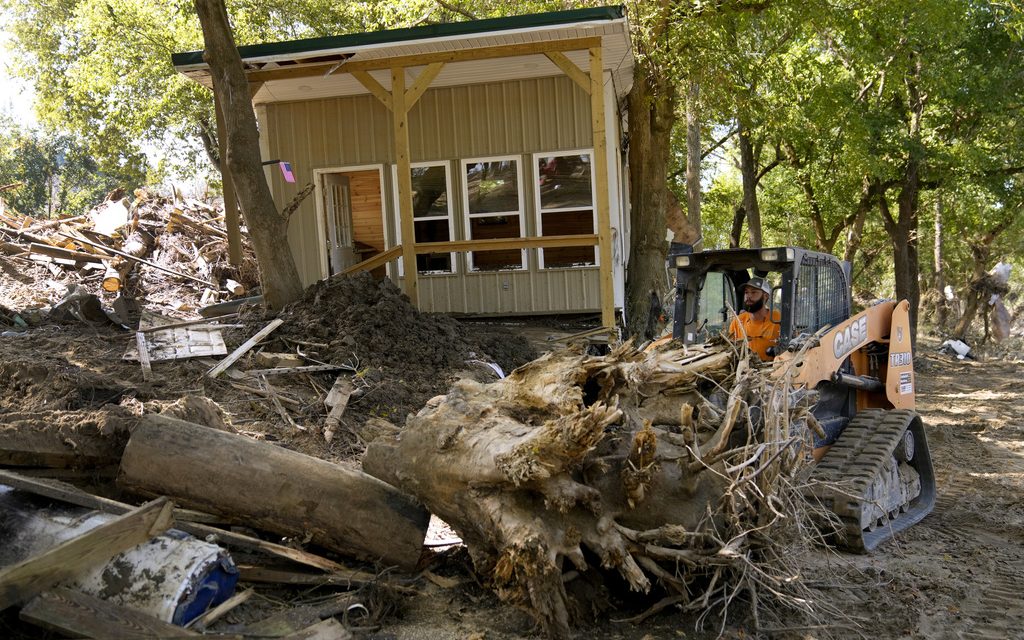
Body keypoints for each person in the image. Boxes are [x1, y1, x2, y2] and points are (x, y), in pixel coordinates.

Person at [728, 276, 781, 361]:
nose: (748, 296)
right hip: (744, 370)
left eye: (753, 292)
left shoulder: (778, 319)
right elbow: (729, 350)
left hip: (773, 370)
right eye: (746, 292)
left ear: (766, 296)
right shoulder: (737, 321)